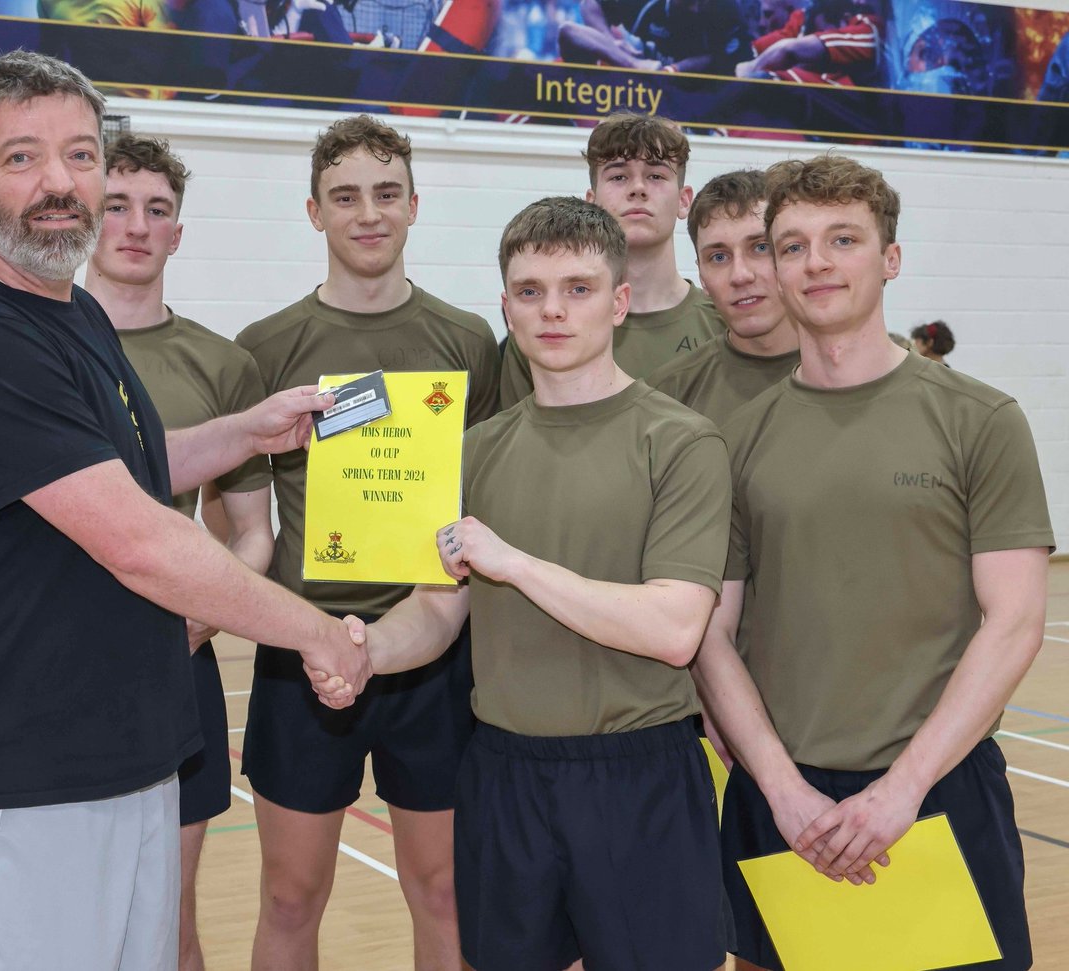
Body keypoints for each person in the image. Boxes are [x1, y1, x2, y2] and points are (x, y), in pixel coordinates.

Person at [0, 49, 371, 970]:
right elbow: (139, 540)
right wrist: (314, 631)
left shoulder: (68, 313)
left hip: (125, 762)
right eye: (22, 156)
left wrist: (247, 433)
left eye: (79, 154)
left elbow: (114, 473)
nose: (60, 182)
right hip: (21, 787)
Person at [311, 195, 732, 971]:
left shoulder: (679, 441)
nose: (554, 311)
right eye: (531, 292)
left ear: (621, 301)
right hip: (505, 772)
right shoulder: (474, 450)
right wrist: (365, 649)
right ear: (505, 307)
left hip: (637, 770)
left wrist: (516, 563)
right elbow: (439, 610)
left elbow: (675, 628)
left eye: (578, 288)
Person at [690, 154, 1052, 971]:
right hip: (785, 805)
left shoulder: (982, 419)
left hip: (939, 789)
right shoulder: (734, 441)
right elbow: (712, 632)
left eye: (842, 238)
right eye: (793, 246)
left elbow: (1017, 617)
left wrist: (903, 790)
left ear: (889, 259)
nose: (816, 262)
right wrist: (782, 791)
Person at [235, 114, 500, 971]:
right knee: (288, 895)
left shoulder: (469, 341)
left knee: (444, 890)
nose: (368, 213)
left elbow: (486, 497)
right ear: (314, 212)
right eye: (345, 197)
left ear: (415, 205)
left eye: (386, 194)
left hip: (433, 651)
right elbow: (239, 518)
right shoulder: (265, 348)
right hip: (302, 654)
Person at [84, 132, 273, 971]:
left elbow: (254, 531)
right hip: (46, 672)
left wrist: (205, 616)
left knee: (166, 922)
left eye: (156, 209)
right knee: (66, 920)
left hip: (172, 666)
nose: (135, 225)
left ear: (177, 233)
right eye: (117, 205)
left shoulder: (222, 363)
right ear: (87, 216)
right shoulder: (28, 342)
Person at [500, 112, 724, 407]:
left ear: (684, 200)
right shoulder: (549, 330)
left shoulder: (722, 322)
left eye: (656, 175)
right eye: (619, 176)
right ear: (591, 200)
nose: (638, 188)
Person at [649, 169, 799, 426]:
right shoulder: (668, 395)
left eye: (760, 248)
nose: (740, 275)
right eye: (718, 257)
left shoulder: (863, 369)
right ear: (702, 277)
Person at [558, 0, 746, 73]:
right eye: (688, 3)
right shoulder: (647, 5)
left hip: (692, 95)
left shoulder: (726, 9)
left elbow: (721, 58)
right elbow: (589, 4)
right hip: (640, 79)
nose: (695, 8)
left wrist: (672, 70)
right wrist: (613, 48)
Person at [736, 0, 883, 87]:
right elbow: (768, 44)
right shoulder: (807, 16)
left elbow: (789, 48)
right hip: (810, 109)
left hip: (849, 120)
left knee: (769, 82)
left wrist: (752, 68)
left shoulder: (867, 28)